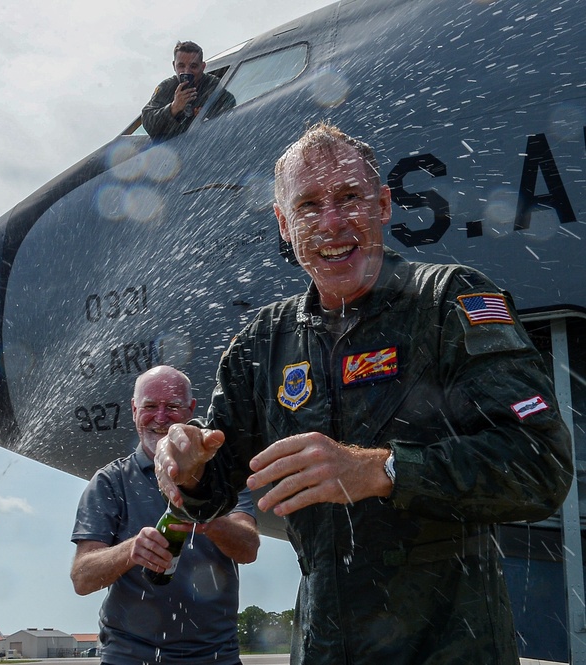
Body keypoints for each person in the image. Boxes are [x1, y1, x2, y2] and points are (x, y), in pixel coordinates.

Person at [153, 122, 574, 664]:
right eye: (307, 206)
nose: (331, 223)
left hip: (450, 645)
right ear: (284, 224)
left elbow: (541, 464)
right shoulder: (263, 341)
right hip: (324, 646)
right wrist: (186, 467)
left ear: (382, 205)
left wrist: (382, 470)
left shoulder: (449, 302)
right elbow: (213, 488)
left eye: (349, 198)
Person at [70, 365, 260, 665]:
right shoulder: (110, 481)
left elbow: (248, 548)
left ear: (191, 410)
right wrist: (131, 550)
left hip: (215, 656)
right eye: (149, 407)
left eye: (172, 407)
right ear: (134, 410)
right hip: (130, 656)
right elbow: (81, 578)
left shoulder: (225, 477)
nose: (160, 418)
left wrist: (203, 510)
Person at [141, 41, 236, 140]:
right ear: (174, 66)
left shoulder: (212, 85)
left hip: (204, 144)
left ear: (202, 67)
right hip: (172, 148)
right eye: (181, 66)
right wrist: (173, 108)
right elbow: (148, 121)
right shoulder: (166, 87)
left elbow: (230, 112)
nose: (187, 71)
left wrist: (209, 115)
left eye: (193, 66)